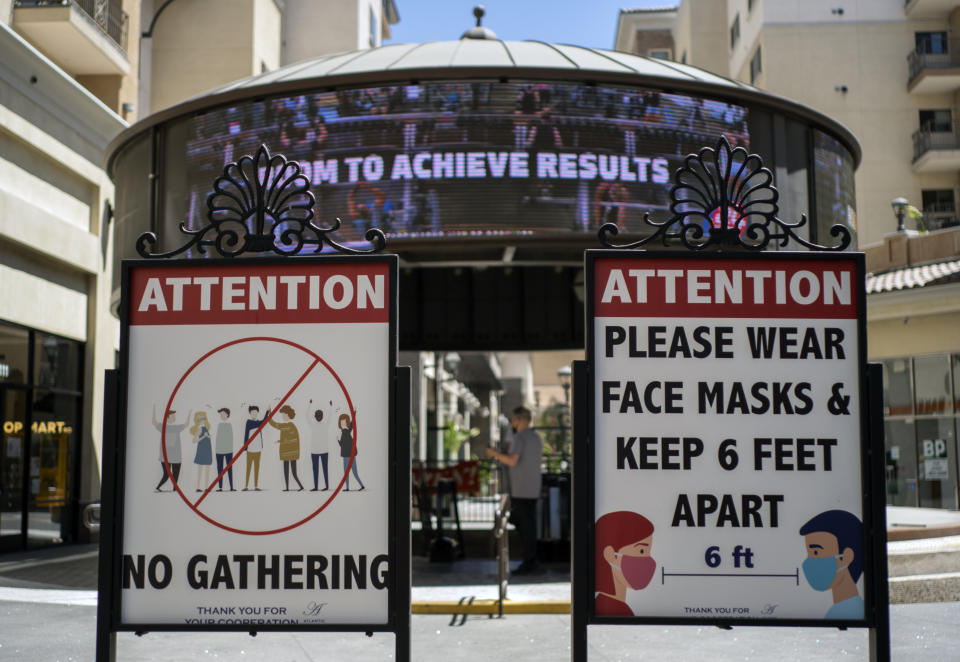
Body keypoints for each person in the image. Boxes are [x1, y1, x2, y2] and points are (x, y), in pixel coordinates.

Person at [486, 406, 543, 575]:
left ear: (519, 420)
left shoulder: (519, 438)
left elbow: (512, 461)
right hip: (532, 489)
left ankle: (529, 561)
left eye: (513, 420)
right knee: (529, 526)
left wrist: (494, 453)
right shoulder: (536, 438)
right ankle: (531, 559)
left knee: (521, 524)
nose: (512, 423)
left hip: (520, 490)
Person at [799, 509, 864, 619]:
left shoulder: (846, 612)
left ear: (846, 557)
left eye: (815, 552)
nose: (808, 562)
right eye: (808, 554)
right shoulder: (839, 611)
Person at [594, 511, 656, 616]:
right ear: (610, 555)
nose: (649, 560)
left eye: (648, 552)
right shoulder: (615, 608)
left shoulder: (614, 606)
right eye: (642, 551)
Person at [152, 405, 191, 492]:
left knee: (176, 474)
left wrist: (189, 413)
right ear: (168, 417)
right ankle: (158, 487)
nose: (175, 418)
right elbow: (154, 422)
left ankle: (174, 489)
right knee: (167, 474)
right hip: (165, 456)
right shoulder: (163, 427)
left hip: (176, 456)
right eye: (173, 416)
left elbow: (186, 424)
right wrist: (154, 408)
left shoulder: (176, 427)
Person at [268, 403, 304, 491]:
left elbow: (273, 423)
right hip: (288, 452)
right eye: (282, 415)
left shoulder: (288, 426)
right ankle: (288, 487)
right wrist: (280, 441)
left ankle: (300, 486)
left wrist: (269, 412)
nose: (283, 417)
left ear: (288, 415)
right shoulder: (290, 426)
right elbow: (289, 438)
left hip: (290, 452)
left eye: (284, 415)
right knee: (287, 471)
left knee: (293, 472)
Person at [338, 412, 365, 491]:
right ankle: (349, 487)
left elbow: (352, 424)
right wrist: (338, 441)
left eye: (344, 422)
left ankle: (353, 487)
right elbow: (341, 445)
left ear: (346, 422)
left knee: (352, 472)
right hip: (348, 455)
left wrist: (354, 413)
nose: (342, 424)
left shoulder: (347, 431)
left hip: (349, 455)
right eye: (341, 422)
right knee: (350, 472)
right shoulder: (343, 432)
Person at [243, 405, 267, 491]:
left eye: (256, 412)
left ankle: (256, 486)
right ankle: (246, 486)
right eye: (252, 412)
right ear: (250, 413)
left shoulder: (258, 422)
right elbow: (246, 434)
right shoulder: (249, 422)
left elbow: (263, 422)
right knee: (248, 467)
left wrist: (268, 412)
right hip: (250, 449)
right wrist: (245, 447)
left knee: (257, 467)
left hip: (258, 448)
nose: (254, 414)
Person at [308, 399, 331, 491]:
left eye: (319, 415)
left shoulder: (324, 425)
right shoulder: (317, 425)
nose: (318, 417)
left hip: (321, 451)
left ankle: (324, 486)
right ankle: (317, 487)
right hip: (316, 451)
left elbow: (330, 417)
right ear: (315, 416)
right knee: (317, 470)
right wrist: (330, 407)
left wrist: (330, 407)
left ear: (322, 416)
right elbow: (330, 416)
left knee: (321, 469)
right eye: (317, 415)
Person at [190, 411, 213, 492]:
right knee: (200, 469)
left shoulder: (205, 428)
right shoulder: (199, 429)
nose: (202, 420)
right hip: (202, 450)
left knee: (207, 469)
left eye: (203, 419)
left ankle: (207, 487)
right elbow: (194, 440)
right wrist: (204, 436)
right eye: (200, 419)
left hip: (207, 449)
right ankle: (198, 487)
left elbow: (208, 437)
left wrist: (209, 436)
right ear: (198, 421)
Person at [213, 408, 235, 491]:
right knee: (220, 469)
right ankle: (220, 487)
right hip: (219, 450)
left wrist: (230, 448)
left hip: (228, 450)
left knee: (229, 468)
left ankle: (231, 487)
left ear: (227, 414)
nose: (221, 416)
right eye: (220, 414)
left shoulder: (229, 425)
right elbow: (218, 438)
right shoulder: (218, 425)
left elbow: (230, 438)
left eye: (222, 414)